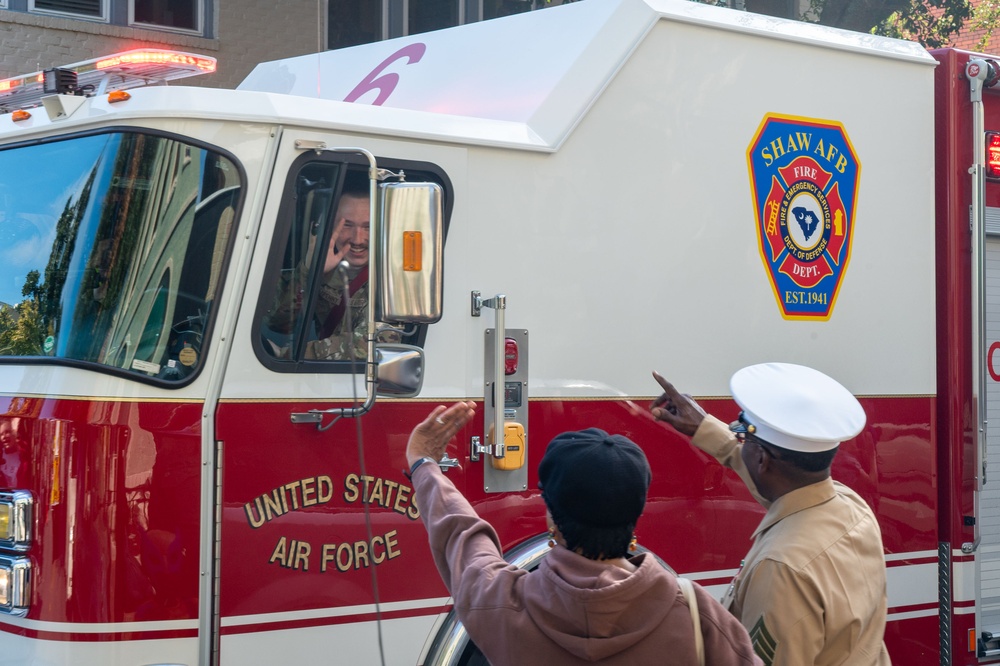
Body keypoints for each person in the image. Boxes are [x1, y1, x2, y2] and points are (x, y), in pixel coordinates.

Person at [406, 401, 763, 666]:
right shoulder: (695, 614)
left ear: (551, 518)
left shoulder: (500, 603)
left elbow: (463, 538)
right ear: (637, 514)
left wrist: (424, 464)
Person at [648, 362, 891, 666]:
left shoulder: (781, 568)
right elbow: (772, 481)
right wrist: (705, 428)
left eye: (744, 438)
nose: (740, 442)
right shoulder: (848, 503)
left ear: (762, 458)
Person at [265, 184, 398, 360]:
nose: (357, 239)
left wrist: (288, 354)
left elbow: (369, 346)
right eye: (346, 225)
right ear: (326, 227)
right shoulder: (323, 266)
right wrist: (311, 273)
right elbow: (278, 324)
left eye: (368, 227)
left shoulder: (394, 280)